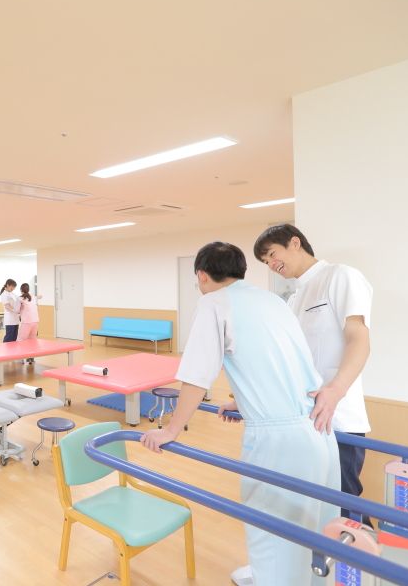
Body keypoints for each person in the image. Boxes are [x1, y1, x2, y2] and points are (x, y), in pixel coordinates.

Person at [139, 242, 339, 586]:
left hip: (280, 441)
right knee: (314, 532)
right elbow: (280, 364)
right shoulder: (273, 301)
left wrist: (171, 430)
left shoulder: (214, 303)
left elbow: (196, 377)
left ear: (202, 275)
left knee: (272, 531)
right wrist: (246, 403)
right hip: (318, 426)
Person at [254, 224, 373, 525]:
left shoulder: (340, 276)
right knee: (314, 508)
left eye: (272, 254)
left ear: (295, 243)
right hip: (302, 420)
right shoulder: (294, 298)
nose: (271, 264)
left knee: (343, 507)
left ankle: (362, 555)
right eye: (266, 262)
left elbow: (358, 338)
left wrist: (336, 390)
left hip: (337, 418)